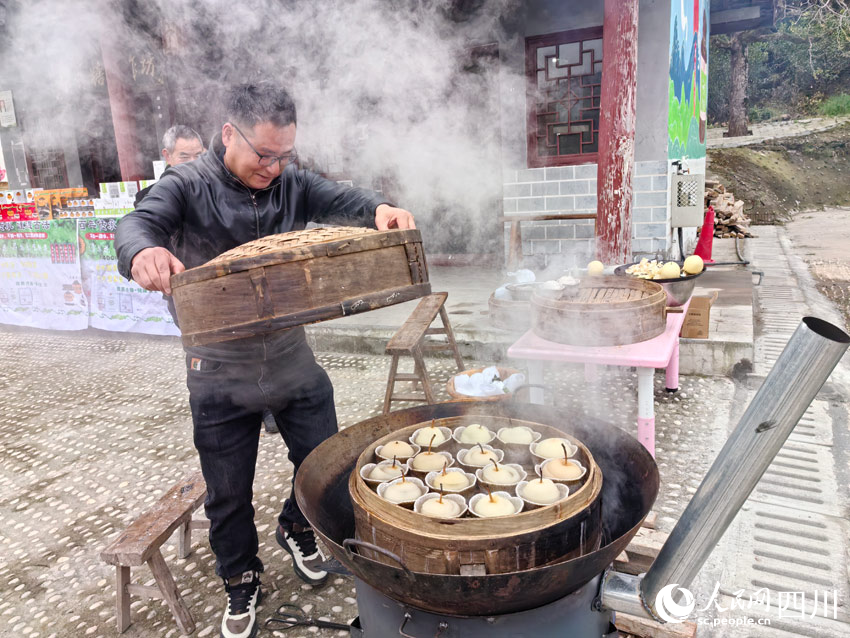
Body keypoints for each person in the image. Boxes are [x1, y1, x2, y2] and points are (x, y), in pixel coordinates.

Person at [114, 82, 415, 638]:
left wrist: (380, 207)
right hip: (215, 367)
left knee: (324, 463)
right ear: (229, 134)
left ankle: (297, 528)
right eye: (264, 155)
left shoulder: (291, 182)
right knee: (227, 490)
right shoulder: (187, 184)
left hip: (287, 354)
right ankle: (240, 579)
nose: (274, 169)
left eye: (285, 156)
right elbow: (138, 222)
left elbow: (339, 198)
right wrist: (143, 251)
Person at [134, 125, 205, 206]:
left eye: (198, 156)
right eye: (184, 157)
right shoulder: (149, 199)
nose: (193, 163)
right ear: (167, 156)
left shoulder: (213, 189)